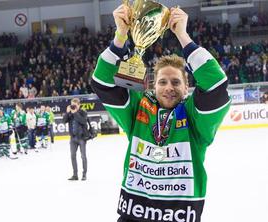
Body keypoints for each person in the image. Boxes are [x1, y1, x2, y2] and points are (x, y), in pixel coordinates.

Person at [90, 5, 230, 222]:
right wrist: (120, 36)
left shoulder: (195, 117)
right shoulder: (138, 109)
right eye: (162, 82)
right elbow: (102, 83)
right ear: (153, 86)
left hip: (180, 216)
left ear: (186, 87)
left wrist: (183, 35)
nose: (168, 87)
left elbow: (216, 85)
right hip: (132, 215)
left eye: (176, 82)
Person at [63, 98, 89, 181]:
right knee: (72, 156)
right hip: (73, 138)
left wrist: (75, 113)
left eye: (75, 105)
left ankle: (84, 174)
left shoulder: (83, 112)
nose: (73, 106)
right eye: (72, 105)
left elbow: (83, 121)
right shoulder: (70, 113)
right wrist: (67, 113)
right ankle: (75, 175)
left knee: (83, 156)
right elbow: (64, 121)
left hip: (82, 138)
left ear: (79, 105)